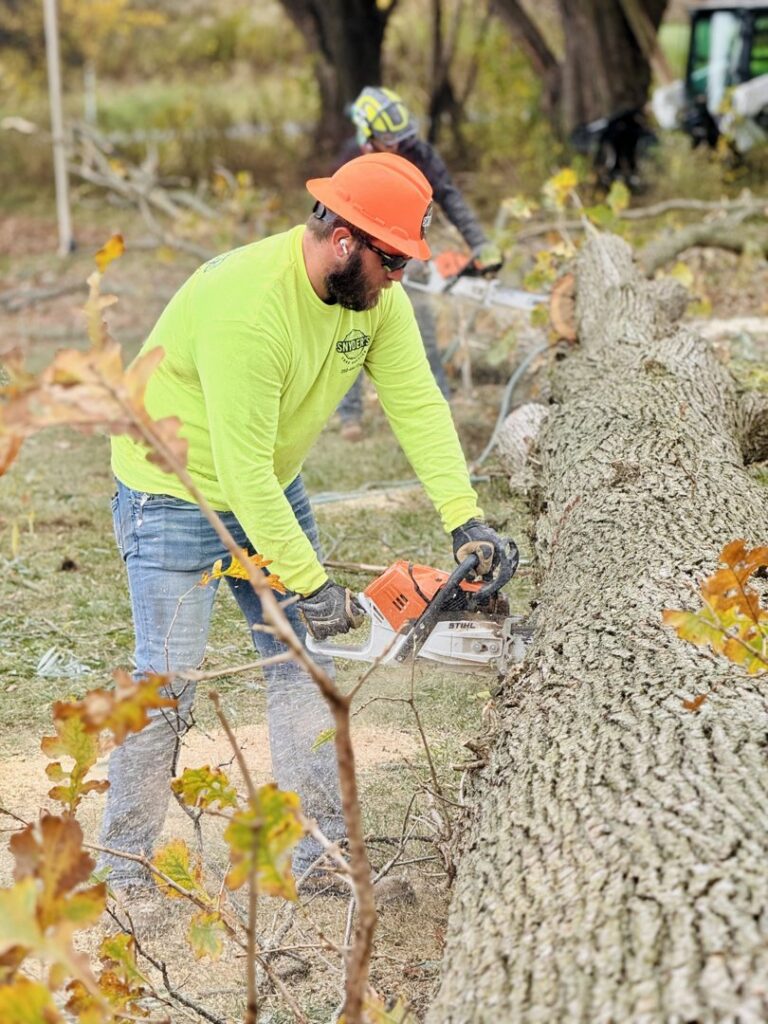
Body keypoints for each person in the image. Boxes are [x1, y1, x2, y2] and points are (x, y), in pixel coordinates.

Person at [100, 151, 511, 898]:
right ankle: (122, 876)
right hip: (174, 495)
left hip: (267, 488)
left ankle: (318, 863)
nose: (401, 279)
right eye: (394, 261)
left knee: (305, 671)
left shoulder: (375, 302)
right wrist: (312, 582)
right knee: (166, 686)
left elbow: (418, 405)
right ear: (346, 240)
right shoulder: (249, 306)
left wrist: (464, 518)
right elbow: (241, 468)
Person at [335, 85, 504, 440]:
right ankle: (349, 415)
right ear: (367, 133)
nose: (395, 145)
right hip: (361, 252)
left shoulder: (419, 153)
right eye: (387, 138)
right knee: (349, 331)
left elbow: (450, 197)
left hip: (407, 249)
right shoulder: (353, 159)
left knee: (422, 326)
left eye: (399, 138)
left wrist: (480, 243)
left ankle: (436, 406)